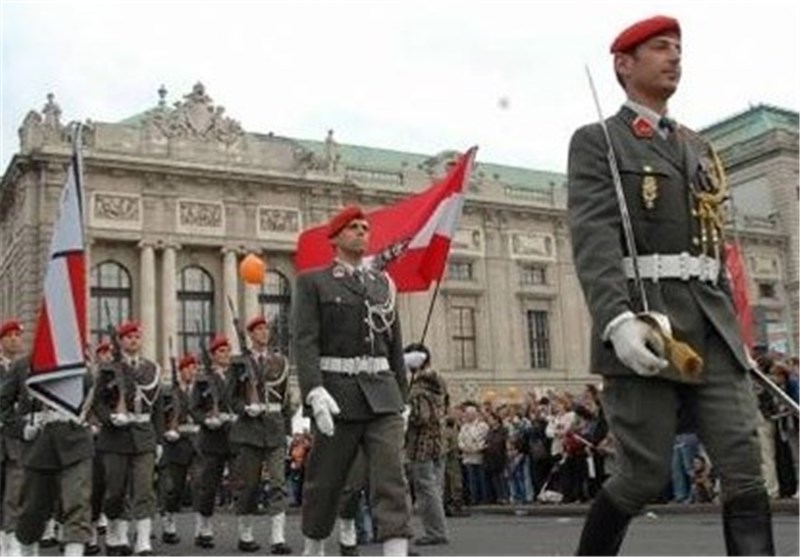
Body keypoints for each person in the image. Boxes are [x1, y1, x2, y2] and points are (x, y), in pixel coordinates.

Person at [568, 15, 775, 555]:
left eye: (678, 48)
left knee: (744, 468)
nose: (674, 56)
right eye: (660, 48)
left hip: (712, 327)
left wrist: (738, 333)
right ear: (624, 64)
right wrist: (615, 321)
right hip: (649, 322)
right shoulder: (601, 141)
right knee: (642, 475)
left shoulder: (697, 147)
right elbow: (594, 236)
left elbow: (715, 247)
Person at [293, 205, 411, 556]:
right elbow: (306, 340)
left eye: (365, 227)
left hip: (382, 394)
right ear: (335, 237)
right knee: (325, 481)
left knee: (391, 478)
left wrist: (402, 399)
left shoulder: (383, 284)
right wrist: (313, 390)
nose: (362, 231)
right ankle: (313, 546)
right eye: (353, 227)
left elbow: (394, 344)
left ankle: (396, 551)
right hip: (337, 393)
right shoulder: (314, 281)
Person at [2, 356, 93, 557]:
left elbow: (90, 389)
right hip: (38, 444)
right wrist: (21, 428)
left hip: (75, 441)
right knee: (32, 510)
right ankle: (27, 549)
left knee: (77, 503)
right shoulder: (22, 366)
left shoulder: (77, 360)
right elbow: (3, 404)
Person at [93, 320, 163, 556]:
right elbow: (99, 403)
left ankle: (143, 541)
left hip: (143, 434)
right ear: (120, 341)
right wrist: (110, 419)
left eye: (137, 337)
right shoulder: (109, 369)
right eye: (129, 337)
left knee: (144, 489)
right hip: (115, 436)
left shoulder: (151, 369)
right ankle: (116, 535)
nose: (134, 340)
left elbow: (159, 408)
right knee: (115, 489)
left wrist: (160, 440)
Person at [226, 315, 293, 554]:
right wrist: (244, 408)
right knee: (249, 484)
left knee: (278, 482)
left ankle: (278, 538)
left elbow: (286, 401)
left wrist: (288, 432)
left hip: (274, 428)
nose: (264, 333)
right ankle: (246, 534)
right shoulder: (239, 363)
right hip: (249, 430)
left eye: (267, 329)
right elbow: (230, 397)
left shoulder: (280, 362)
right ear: (251, 335)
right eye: (259, 330)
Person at [189, 334, 235, 549]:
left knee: (243, 483)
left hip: (234, 436)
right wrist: (207, 420)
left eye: (228, 351)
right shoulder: (203, 378)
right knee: (208, 486)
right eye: (222, 352)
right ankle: (204, 527)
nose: (226, 355)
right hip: (212, 439)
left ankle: (245, 531)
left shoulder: (236, 375)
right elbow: (194, 408)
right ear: (214, 356)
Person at [404, 342, 449, 546]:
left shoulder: (419, 387)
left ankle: (435, 531)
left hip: (422, 443)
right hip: (439, 441)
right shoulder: (439, 382)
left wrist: (406, 414)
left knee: (426, 489)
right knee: (434, 488)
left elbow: (421, 417)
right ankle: (437, 529)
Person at [159, 353, 200, 546]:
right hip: (177, 444)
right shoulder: (170, 391)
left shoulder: (200, 390)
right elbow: (163, 415)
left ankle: (203, 529)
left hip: (198, 442)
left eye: (195, 368)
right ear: (181, 371)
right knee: (175, 487)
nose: (193, 371)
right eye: (190, 368)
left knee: (201, 485)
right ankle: (169, 524)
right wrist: (166, 432)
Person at [0, 319, 25, 556]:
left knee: (15, 492)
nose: (17, 340)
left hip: (15, 439)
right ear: (3, 339)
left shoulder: (23, 369)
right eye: (13, 335)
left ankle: (11, 540)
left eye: (19, 335)